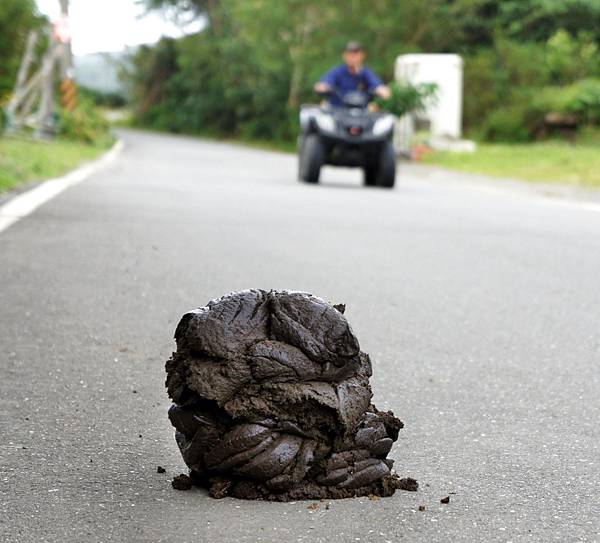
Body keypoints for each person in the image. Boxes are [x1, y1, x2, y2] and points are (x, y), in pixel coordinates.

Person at [315, 41, 391, 106]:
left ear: (362, 56)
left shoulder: (366, 73)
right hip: (338, 112)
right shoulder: (338, 71)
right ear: (344, 56)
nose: (352, 57)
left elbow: (377, 84)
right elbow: (325, 82)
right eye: (349, 54)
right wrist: (323, 87)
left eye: (355, 54)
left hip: (361, 115)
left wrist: (382, 90)